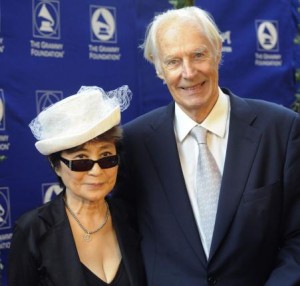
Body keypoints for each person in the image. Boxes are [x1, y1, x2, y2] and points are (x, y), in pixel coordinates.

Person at [115, 6, 300, 286]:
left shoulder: (281, 130)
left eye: (198, 55)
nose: (188, 72)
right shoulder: (134, 144)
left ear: (217, 52)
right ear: (159, 69)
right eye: (173, 61)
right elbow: (124, 242)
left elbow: (297, 238)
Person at [8, 85, 146, 286]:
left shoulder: (131, 217)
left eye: (106, 157)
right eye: (81, 160)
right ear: (56, 166)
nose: (96, 171)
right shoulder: (32, 231)